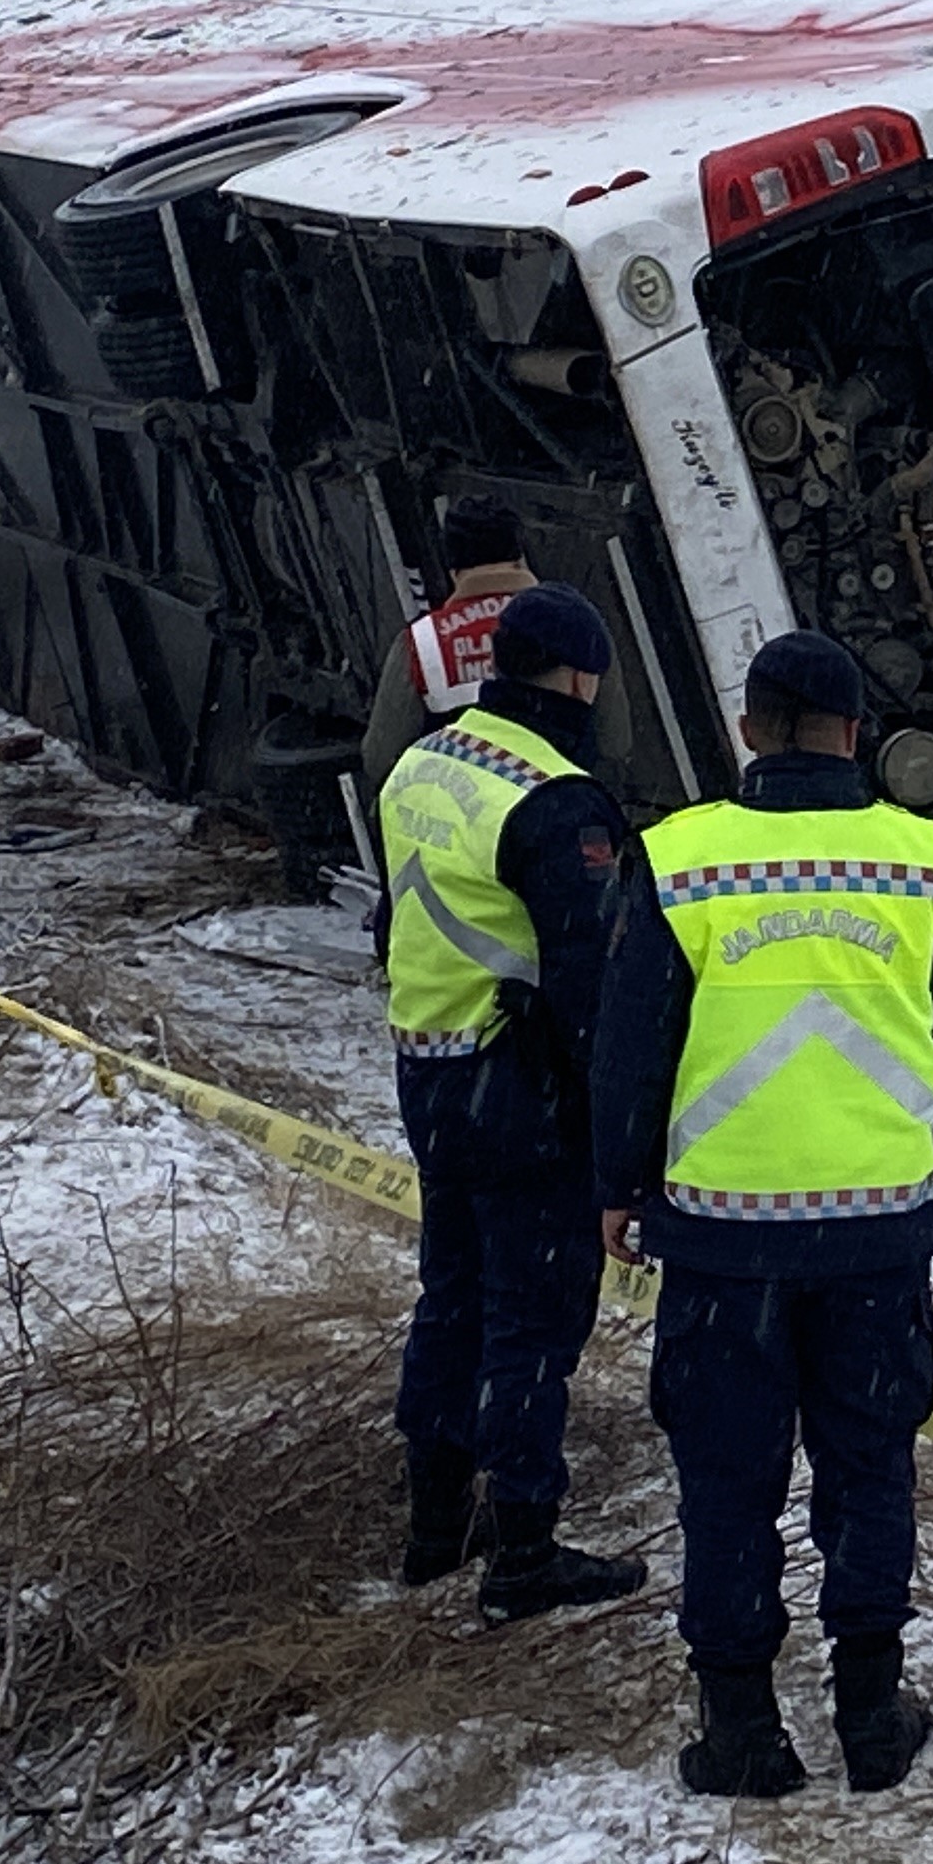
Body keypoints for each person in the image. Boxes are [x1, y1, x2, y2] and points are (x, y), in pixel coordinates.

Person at [594, 630, 933, 1799]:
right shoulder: (923, 861)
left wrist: (618, 1186)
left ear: (746, 730)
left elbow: (631, 1045)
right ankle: (872, 1718)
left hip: (724, 1241)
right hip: (880, 1234)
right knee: (869, 1468)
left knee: (727, 1481)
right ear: (858, 735)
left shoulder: (681, 859)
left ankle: (741, 1730)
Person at [368, 582, 662, 1620]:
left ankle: (434, 1524)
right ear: (581, 677)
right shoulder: (555, 801)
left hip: (432, 1070)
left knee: (450, 1295)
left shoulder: (425, 762)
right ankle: (525, 1549)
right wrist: (625, 1133)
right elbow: (593, 990)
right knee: (531, 1320)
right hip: (523, 1091)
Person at [361, 494, 539, 797]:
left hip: (467, 826)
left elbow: (379, 758)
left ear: (454, 570)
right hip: (566, 820)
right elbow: (616, 742)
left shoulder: (422, 644)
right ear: (520, 558)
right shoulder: (573, 621)